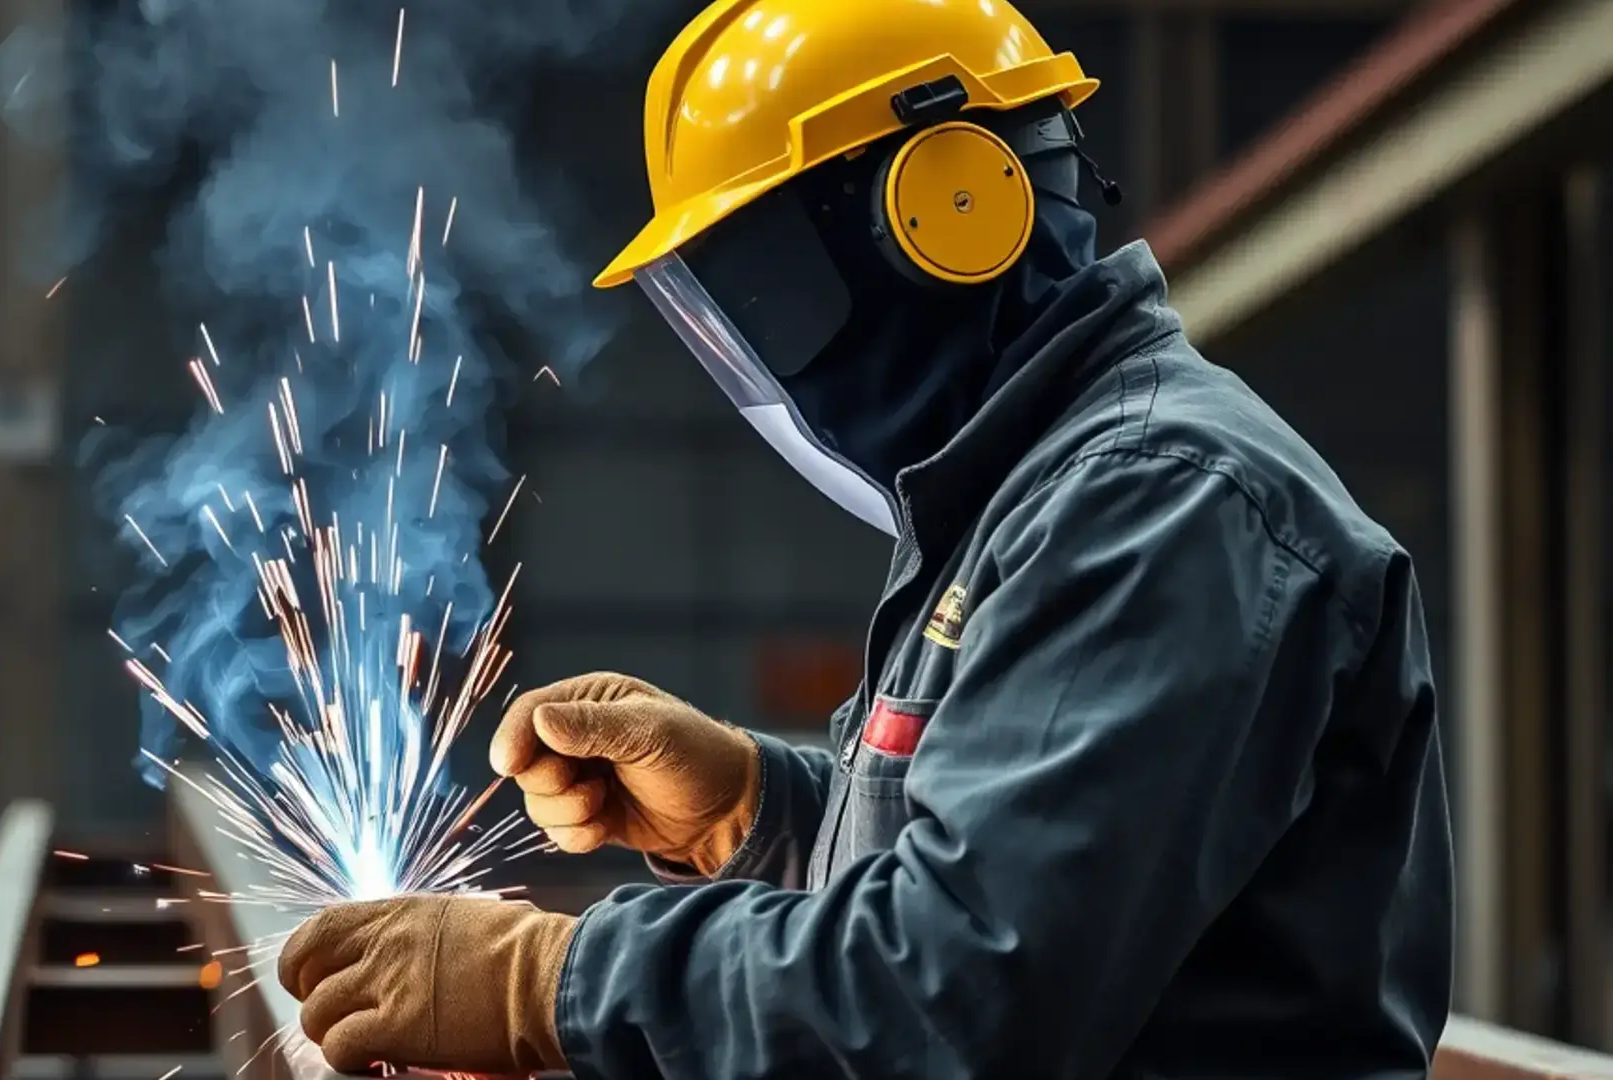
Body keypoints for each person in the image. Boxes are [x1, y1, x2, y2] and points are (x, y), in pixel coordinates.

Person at [278, 0, 1455, 1076]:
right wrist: (756, 810)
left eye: (760, 287)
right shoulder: (1018, 489)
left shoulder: (1163, 507)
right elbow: (996, 863)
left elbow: (954, 993)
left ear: (951, 207)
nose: (754, 352)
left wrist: (553, 980)